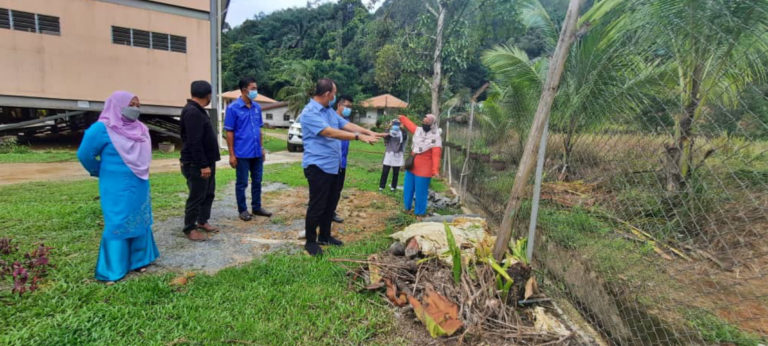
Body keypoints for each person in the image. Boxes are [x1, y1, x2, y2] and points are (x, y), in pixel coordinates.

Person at [77, 91, 159, 284]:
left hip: (139, 181)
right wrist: (99, 171)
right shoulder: (101, 129)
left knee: (139, 218)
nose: (136, 108)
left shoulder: (141, 129)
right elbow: (85, 154)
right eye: (131, 104)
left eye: (138, 104)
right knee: (117, 220)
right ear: (117, 105)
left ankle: (140, 259)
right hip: (115, 185)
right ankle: (113, 269)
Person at [300, 78, 385, 256]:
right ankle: (310, 241)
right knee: (318, 204)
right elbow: (329, 132)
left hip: (332, 166)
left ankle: (324, 235)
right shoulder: (309, 113)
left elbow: (344, 124)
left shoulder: (328, 111)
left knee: (330, 204)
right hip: (318, 166)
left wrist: (368, 132)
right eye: (334, 93)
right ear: (326, 94)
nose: (335, 97)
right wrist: (357, 137)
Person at [224, 77, 272, 221]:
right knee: (242, 183)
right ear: (244, 90)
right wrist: (232, 154)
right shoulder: (233, 108)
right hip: (242, 153)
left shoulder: (257, 107)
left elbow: (259, 130)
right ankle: (243, 210)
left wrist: (262, 148)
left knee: (257, 180)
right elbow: (229, 132)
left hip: (256, 152)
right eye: (253, 88)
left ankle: (256, 207)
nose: (255, 91)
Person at [180, 80, 221, 241]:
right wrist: (203, 165)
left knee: (208, 193)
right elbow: (194, 142)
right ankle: (190, 228)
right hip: (197, 164)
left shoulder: (198, 110)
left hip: (207, 162)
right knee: (197, 195)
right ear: (208, 95)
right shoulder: (192, 112)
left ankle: (202, 221)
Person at [398, 114, 442, 216]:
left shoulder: (435, 138)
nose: (424, 124)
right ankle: (406, 208)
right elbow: (410, 125)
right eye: (423, 122)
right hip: (412, 165)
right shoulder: (418, 131)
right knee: (408, 188)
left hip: (424, 169)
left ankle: (419, 213)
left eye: (427, 123)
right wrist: (402, 118)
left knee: (420, 192)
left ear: (432, 124)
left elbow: (436, 156)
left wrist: (435, 170)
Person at [331, 95, 354, 224]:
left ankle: (331, 211)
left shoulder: (346, 121)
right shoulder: (332, 119)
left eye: (350, 107)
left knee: (338, 189)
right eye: (346, 106)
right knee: (330, 189)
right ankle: (325, 213)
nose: (348, 109)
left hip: (342, 161)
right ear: (339, 105)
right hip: (333, 161)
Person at [379, 119, 407, 191]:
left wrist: (402, 129)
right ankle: (381, 186)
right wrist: (388, 127)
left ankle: (393, 187)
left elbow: (405, 137)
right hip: (389, 153)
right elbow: (385, 136)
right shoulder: (389, 132)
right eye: (394, 124)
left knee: (396, 172)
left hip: (398, 154)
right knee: (385, 171)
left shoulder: (402, 133)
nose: (396, 126)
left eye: (397, 125)